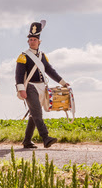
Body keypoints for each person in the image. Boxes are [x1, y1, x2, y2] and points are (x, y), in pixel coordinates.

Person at [15, 20, 68, 148]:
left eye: (34, 39)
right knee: (37, 112)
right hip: (30, 87)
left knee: (34, 114)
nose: (32, 41)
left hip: (41, 87)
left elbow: (50, 70)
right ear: (28, 42)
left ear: (39, 42)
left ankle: (27, 141)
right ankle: (45, 137)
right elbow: (19, 75)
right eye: (30, 39)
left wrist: (62, 82)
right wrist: (21, 89)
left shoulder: (42, 56)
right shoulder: (23, 57)